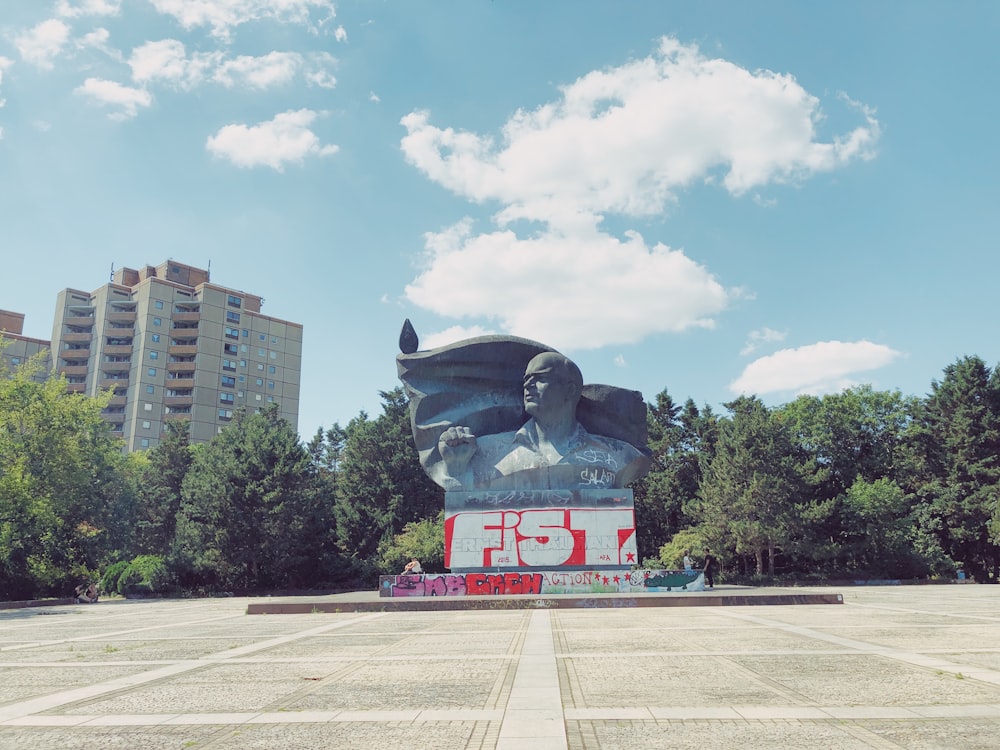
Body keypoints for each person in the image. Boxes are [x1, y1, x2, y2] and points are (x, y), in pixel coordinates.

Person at [436, 352, 649, 491]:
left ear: (570, 389)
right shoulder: (484, 452)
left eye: (540, 378)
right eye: (526, 380)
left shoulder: (620, 455)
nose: (528, 385)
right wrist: (456, 468)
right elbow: (465, 513)